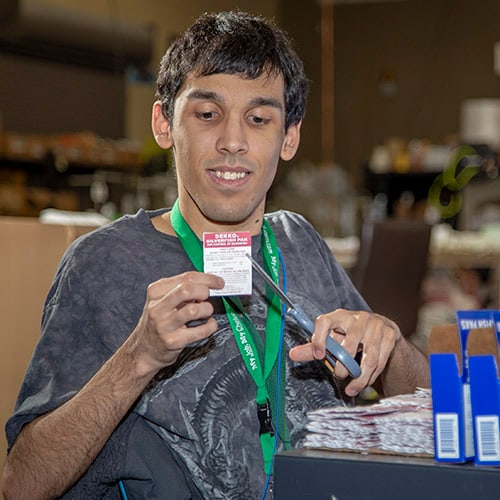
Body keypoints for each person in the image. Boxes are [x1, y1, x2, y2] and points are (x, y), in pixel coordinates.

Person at [2, 10, 429, 500]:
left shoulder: (298, 240)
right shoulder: (103, 263)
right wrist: (138, 358)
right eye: (207, 115)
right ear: (164, 123)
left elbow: (426, 405)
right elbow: (22, 484)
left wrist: (389, 344)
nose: (233, 141)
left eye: (259, 118)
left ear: (289, 137)